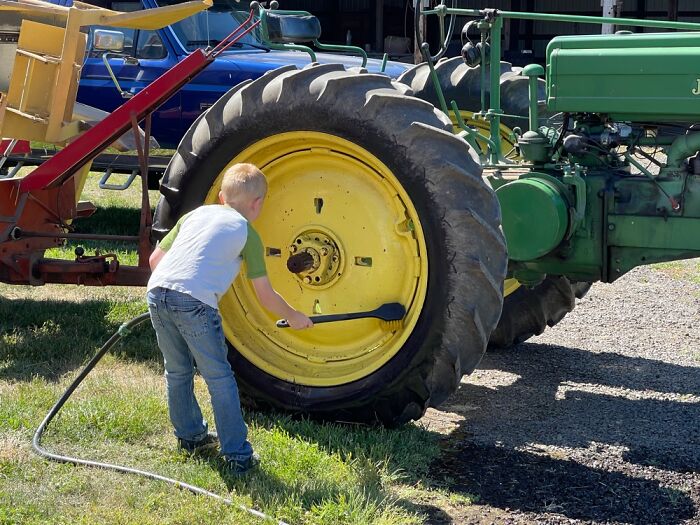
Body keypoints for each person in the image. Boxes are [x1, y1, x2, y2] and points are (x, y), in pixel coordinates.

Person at [146, 163, 313, 476]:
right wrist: (294, 316)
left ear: (222, 196)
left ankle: (190, 437)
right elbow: (265, 294)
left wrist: (170, 296)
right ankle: (237, 454)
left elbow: (156, 260)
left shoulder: (193, 216)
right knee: (220, 379)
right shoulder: (246, 233)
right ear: (257, 203)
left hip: (158, 291)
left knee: (178, 370)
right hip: (194, 302)